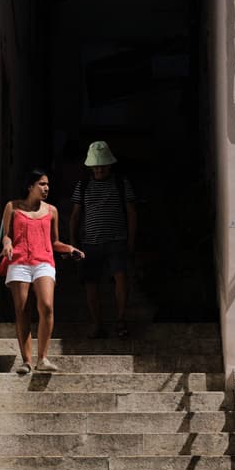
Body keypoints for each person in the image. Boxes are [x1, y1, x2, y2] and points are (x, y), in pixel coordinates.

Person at [1, 169, 84, 374]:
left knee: (46, 306)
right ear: (30, 186)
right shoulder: (12, 207)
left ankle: (43, 358)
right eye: (42, 184)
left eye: (47, 184)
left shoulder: (51, 211)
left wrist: (69, 248)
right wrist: (7, 244)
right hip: (19, 260)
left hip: (43, 260)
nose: (46, 188)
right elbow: (6, 235)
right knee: (22, 310)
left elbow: (54, 242)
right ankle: (27, 361)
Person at [69, 141, 136, 338]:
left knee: (121, 279)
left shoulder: (121, 183)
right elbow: (75, 215)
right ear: (91, 166)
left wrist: (130, 240)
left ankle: (121, 320)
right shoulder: (83, 185)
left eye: (102, 166)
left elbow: (132, 213)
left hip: (117, 240)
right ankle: (97, 324)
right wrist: (73, 242)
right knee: (91, 283)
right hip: (90, 243)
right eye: (96, 166)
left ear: (109, 165)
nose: (99, 169)